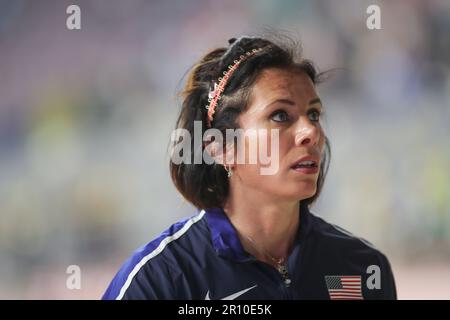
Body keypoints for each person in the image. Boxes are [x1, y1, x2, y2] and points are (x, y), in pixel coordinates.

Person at [102, 35, 397, 300]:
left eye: (314, 114)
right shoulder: (161, 279)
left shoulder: (362, 267)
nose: (311, 132)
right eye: (281, 115)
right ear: (221, 148)